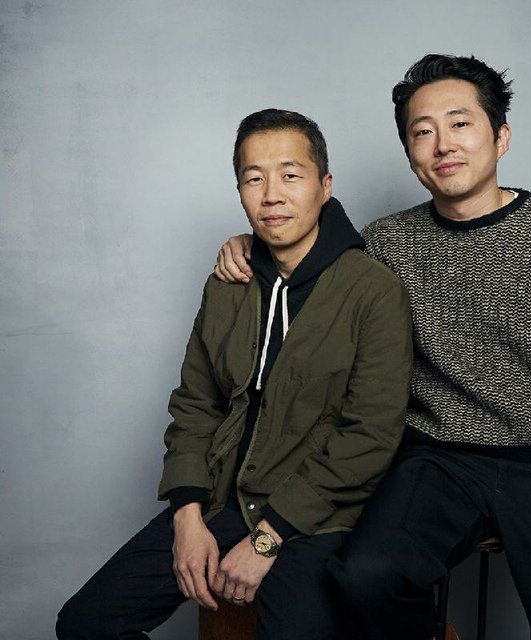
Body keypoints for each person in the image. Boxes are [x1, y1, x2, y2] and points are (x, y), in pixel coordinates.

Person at [214, 55, 531, 640]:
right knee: (365, 577)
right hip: (434, 460)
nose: (442, 144)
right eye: (422, 132)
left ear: (500, 137)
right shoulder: (386, 242)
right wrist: (252, 243)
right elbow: (304, 243)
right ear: (410, 155)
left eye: (460, 124)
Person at [56, 109, 412, 640]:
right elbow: (196, 404)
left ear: (325, 186)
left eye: (291, 175)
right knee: (87, 624)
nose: (271, 194)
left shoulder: (372, 290)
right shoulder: (229, 280)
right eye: (253, 178)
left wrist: (269, 539)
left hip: (319, 515)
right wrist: (187, 515)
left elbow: (369, 434)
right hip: (225, 498)